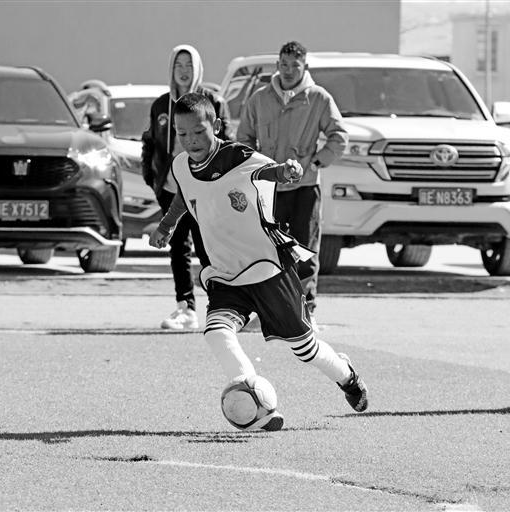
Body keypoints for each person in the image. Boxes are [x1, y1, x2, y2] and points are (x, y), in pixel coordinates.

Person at [149, 93, 368, 430]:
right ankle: (254, 399)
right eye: (182, 133)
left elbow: (269, 171)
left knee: (304, 348)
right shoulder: (181, 165)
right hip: (225, 272)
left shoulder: (237, 156)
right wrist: (166, 226)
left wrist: (287, 171)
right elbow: (184, 194)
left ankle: (347, 376)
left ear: (216, 126)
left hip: (266, 268)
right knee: (216, 333)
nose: (191, 140)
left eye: (198, 132)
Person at [236, 41, 348, 329]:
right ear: (277, 65)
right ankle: (267, 311)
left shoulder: (319, 98)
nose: (288, 71)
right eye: (284, 65)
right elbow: (244, 138)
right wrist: (255, 168)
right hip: (268, 188)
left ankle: (306, 311)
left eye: (294, 66)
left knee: (304, 249)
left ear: (304, 67)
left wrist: (316, 163)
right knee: (266, 249)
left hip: (304, 188)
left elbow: (339, 137)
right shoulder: (260, 98)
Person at [142, 44, 229, 330]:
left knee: (208, 248)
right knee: (178, 248)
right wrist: (151, 176)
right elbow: (150, 142)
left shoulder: (212, 101)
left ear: (198, 68)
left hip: (205, 189)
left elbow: (227, 143)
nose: (183, 71)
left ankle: (223, 305)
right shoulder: (160, 105)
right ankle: (186, 307)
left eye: (189, 65)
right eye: (178, 65)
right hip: (171, 188)